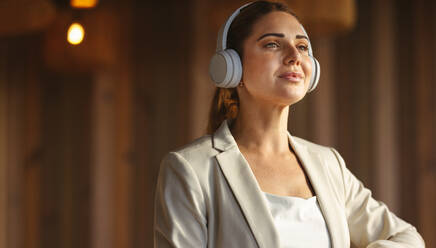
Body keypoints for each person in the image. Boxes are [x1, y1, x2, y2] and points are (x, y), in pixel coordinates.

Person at [153, 1, 425, 247]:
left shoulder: (329, 164)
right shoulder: (189, 169)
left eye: (303, 46)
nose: (295, 55)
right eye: (273, 43)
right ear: (231, 66)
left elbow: (408, 239)